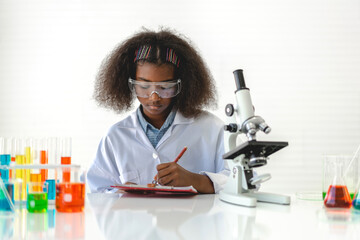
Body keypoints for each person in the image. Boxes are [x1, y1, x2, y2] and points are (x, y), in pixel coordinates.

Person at [87, 28, 229, 194]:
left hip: (195, 221)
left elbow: (242, 182)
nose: (154, 97)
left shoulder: (212, 128)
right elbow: (97, 192)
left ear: (181, 84)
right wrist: (120, 194)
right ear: (129, 83)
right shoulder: (116, 136)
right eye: (144, 86)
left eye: (165, 87)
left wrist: (196, 181)